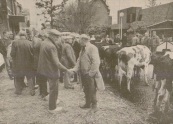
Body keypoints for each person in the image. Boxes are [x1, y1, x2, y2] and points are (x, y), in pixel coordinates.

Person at [37, 29, 70, 113]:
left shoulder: (44, 42)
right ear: (51, 35)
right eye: (56, 36)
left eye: (58, 36)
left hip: (45, 69)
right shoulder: (51, 46)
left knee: (53, 87)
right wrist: (66, 69)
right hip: (51, 70)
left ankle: (54, 101)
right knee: (53, 88)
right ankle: (52, 108)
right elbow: (57, 63)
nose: (58, 38)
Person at [70, 34, 105, 112]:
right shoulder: (82, 48)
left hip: (90, 74)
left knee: (92, 90)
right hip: (83, 73)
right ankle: (87, 103)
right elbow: (79, 60)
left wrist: (91, 73)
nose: (78, 42)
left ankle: (94, 106)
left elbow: (96, 62)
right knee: (85, 89)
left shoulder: (92, 48)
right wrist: (75, 69)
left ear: (83, 40)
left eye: (79, 40)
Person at [11, 31, 35, 95]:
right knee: (29, 77)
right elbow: (33, 54)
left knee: (18, 77)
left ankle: (18, 91)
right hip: (28, 63)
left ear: (19, 35)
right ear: (25, 36)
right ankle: (32, 91)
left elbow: (12, 54)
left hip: (18, 63)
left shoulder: (15, 43)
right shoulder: (30, 43)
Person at [33, 32, 48, 98]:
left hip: (36, 62)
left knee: (40, 78)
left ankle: (42, 92)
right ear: (42, 37)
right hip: (40, 62)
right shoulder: (41, 43)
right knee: (43, 78)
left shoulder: (37, 43)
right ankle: (44, 93)